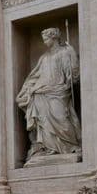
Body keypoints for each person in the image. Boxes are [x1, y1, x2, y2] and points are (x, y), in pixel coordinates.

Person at [16, 27, 81, 161]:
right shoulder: (44, 57)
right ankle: (49, 148)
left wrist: (72, 53)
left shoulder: (65, 52)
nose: (44, 41)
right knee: (44, 121)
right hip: (41, 93)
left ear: (54, 38)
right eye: (44, 39)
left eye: (46, 38)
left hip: (59, 91)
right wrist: (27, 90)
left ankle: (71, 145)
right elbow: (34, 76)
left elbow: (73, 74)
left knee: (61, 117)